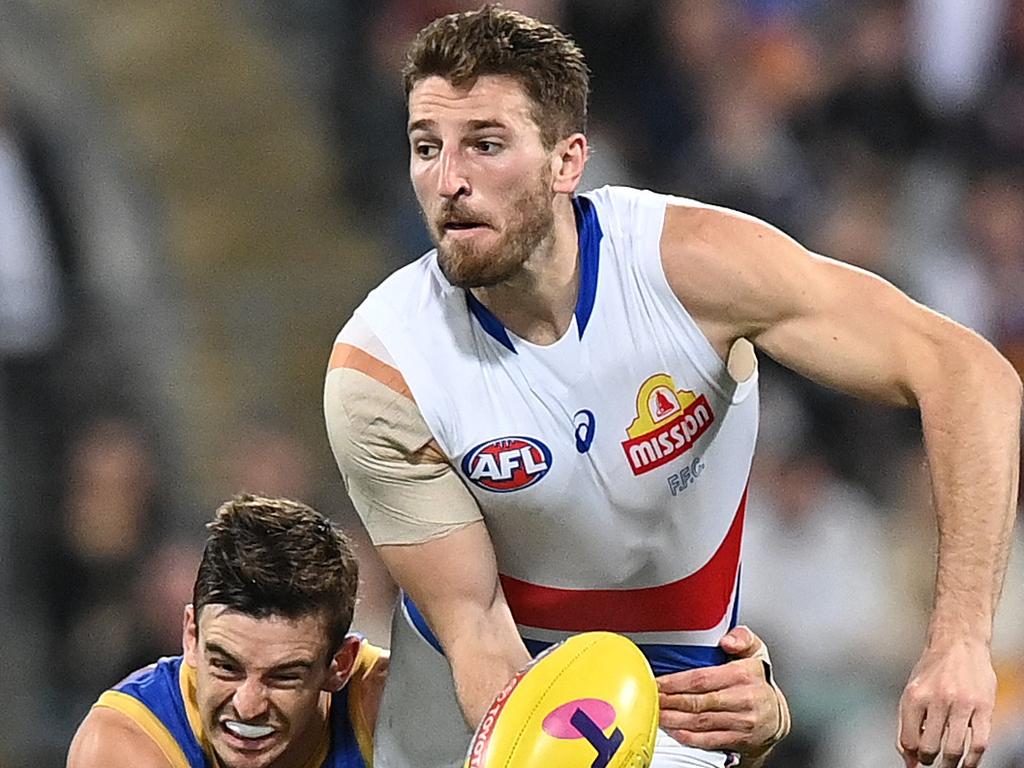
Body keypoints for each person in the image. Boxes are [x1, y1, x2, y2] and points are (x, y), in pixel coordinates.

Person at [324, 6, 1021, 768]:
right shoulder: (384, 372)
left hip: (692, 701)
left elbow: (968, 369)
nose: (449, 181)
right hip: (474, 719)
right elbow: (478, 633)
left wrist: (958, 642)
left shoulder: (692, 271)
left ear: (568, 161)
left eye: (485, 145)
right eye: (427, 148)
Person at [66, 494, 387, 768]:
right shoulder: (125, 744)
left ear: (341, 664)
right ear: (191, 637)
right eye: (226, 667)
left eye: (284, 676)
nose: (248, 707)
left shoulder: (391, 708)